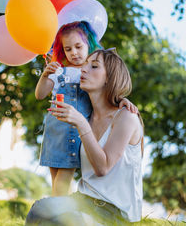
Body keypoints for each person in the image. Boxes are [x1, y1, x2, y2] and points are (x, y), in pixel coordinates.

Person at [27, 49, 144, 225]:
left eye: (94, 66)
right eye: (85, 64)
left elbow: (102, 168)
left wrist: (81, 124)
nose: (83, 69)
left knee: (63, 222)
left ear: (109, 78)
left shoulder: (126, 116)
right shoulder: (87, 115)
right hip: (83, 201)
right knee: (39, 209)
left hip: (115, 214)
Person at [35, 22, 137, 196]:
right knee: (54, 175)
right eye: (68, 49)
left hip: (75, 129)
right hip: (54, 127)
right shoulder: (60, 70)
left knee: (64, 176)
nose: (74, 53)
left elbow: (108, 91)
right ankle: (56, 211)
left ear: (89, 44)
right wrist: (45, 75)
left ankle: (55, 212)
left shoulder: (91, 71)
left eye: (78, 46)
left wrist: (122, 100)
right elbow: (40, 94)